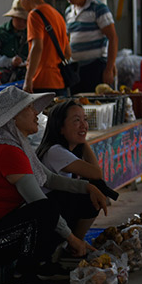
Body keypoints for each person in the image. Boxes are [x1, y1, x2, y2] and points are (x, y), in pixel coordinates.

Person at [0, 87, 106, 284]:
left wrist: (86, 187)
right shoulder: (7, 151)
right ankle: (24, 277)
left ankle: (43, 264)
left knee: (63, 200)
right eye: (29, 108)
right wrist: (72, 238)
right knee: (46, 208)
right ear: (13, 118)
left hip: (1, 231)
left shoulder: (16, 146)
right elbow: (38, 200)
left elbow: (49, 179)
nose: (36, 113)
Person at [35, 100, 118, 240]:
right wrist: (83, 140)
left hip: (57, 205)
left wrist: (81, 136)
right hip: (47, 211)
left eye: (85, 120)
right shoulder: (55, 151)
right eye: (76, 121)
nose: (83, 125)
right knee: (93, 191)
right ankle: (74, 243)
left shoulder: (66, 150)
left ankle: (73, 240)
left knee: (95, 186)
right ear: (60, 128)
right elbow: (96, 173)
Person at [63, 0, 119, 93]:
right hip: (76, 68)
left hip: (95, 66)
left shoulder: (98, 8)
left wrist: (109, 68)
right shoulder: (68, 11)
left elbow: (113, 38)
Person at [17, 0, 71, 95]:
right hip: (59, 81)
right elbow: (67, 52)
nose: (21, 3)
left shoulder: (34, 15)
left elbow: (37, 47)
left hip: (42, 81)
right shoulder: (57, 15)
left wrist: (28, 79)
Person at [0, 0, 29, 87]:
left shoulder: (31, 32)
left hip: (25, 80)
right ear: (13, 17)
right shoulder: (0, 32)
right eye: (19, 19)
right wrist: (10, 62)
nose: (23, 23)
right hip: (4, 81)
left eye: (25, 19)